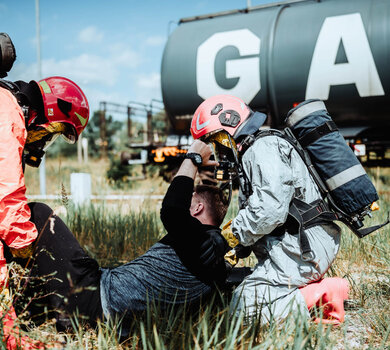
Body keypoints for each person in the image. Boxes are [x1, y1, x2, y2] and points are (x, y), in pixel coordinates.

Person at [8, 140, 235, 337]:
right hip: (104, 318)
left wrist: (193, 157)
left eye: (190, 198)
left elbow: (173, 209)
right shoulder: (213, 261)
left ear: (197, 207)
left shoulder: (198, 239)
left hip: (94, 298)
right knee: (28, 298)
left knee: (38, 214)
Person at [190, 95, 348, 325]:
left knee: (242, 312)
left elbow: (269, 211)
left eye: (216, 141)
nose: (218, 150)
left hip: (304, 247)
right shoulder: (254, 152)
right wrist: (236, 250)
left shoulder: (262, 148)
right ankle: (308, 290)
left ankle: (322, 295)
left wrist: (229, 237)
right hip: (296, 244)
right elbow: (261, 212)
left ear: (231, 124)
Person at [0, 75, 89, 349]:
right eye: (51, 134)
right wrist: (24, 244)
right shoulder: (9, 111)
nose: (42, 143)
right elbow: (6, 192)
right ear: (48, 113)